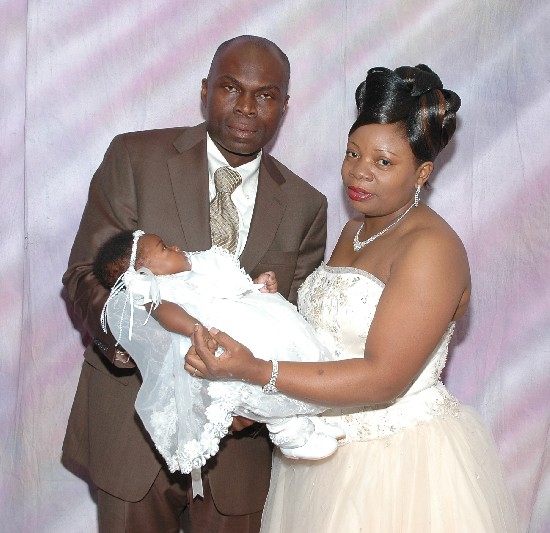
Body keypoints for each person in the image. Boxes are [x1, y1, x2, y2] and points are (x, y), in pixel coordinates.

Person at [186, 64, 520, 532]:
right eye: (352, 152)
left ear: (422, 171)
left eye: (383, 162)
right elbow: (330, 338)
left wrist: (259, 373)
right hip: (322, 453)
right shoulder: (355, 228)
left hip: (397, 468)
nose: (358, 172)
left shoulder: (431, 249)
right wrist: (272, 306)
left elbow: (383, 378)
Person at [62, 35, 327, 532]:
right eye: (231, 87)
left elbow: (295, 319)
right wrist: (149, 352)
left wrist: (254, 398)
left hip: (241, 450)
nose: (246, 107)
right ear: (205, 90)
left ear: (285, 107)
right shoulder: (134, 157)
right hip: (132, 431)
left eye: (266, 95)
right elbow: (86, 276)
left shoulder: (305, 206)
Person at [94, 229, 342, 471]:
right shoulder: (152, 290)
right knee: (259, 385)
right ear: (141, 273)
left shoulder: (197, 266)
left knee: (290, 357)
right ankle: (289, 432)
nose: (176, 247)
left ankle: (305, 417)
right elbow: (168, 313)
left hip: (257, 322)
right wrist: (196, 329)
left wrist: (255, 286)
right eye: (165, 248)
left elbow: (229, 286)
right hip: (227, 342)